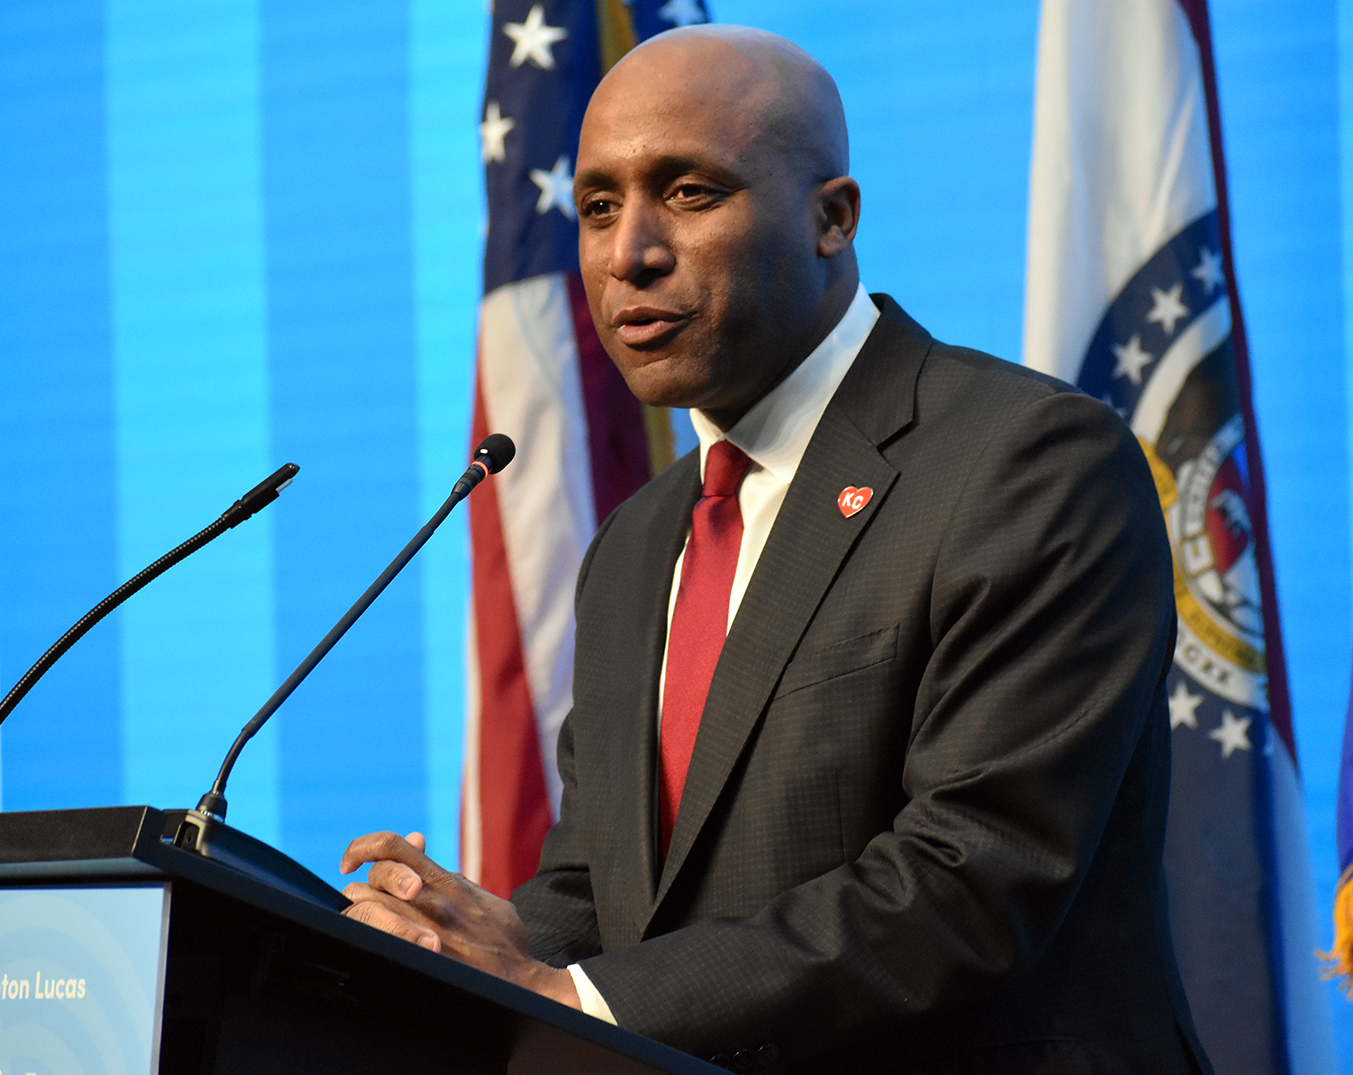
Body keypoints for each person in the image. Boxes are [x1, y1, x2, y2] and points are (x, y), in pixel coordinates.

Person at [341, 25, 1206, 1074]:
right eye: (599, 205)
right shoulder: (637, 541)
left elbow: (969, 882)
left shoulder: (1025, 464)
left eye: (691, 192)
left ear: (832, 217)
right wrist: (457, 947)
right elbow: (600, 883)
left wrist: (574, 995)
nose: (628, 254)